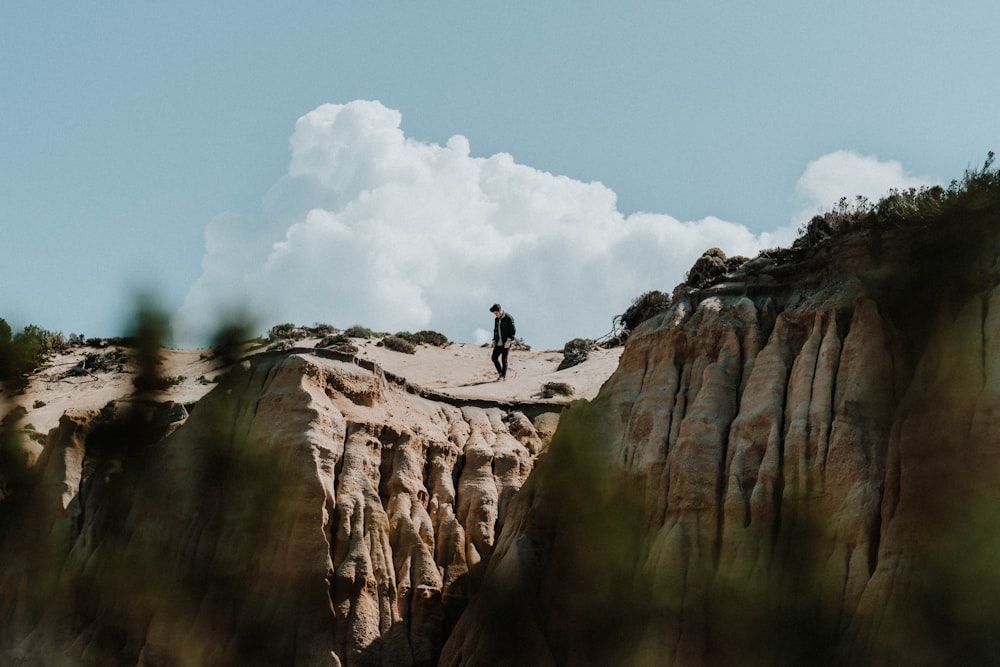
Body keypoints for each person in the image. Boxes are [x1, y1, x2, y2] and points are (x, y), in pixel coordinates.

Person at [489, 303, 516, 381]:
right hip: (498, 342)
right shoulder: (496, 319)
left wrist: (509, 340)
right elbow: (495, 330)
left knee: (504, 359)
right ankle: (500, 373)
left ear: (500, 310)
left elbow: (513, 331)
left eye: (496, 313)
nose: (495, 315)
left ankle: (503, 376)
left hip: (506, 343)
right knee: (494, 358)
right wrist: (494, 341)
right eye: (494, 314)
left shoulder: (508, 318)